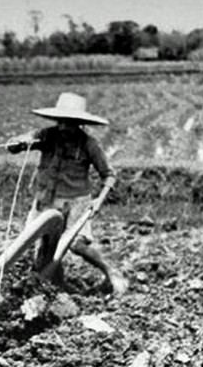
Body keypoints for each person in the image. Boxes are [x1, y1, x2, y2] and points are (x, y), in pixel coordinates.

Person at [7, 92, 128, 295]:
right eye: (61, 122)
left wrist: (99, 200)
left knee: (77, 245)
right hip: (45, 199)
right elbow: (16, 144)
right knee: (40, 245)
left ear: (78, 123)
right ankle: (53, 285)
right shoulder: (46, 136)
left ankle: (112, 271)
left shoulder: (89, 144)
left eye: (69, 123)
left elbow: (109, 175)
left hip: (76, 202)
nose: (63, 127)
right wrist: (20, 142)